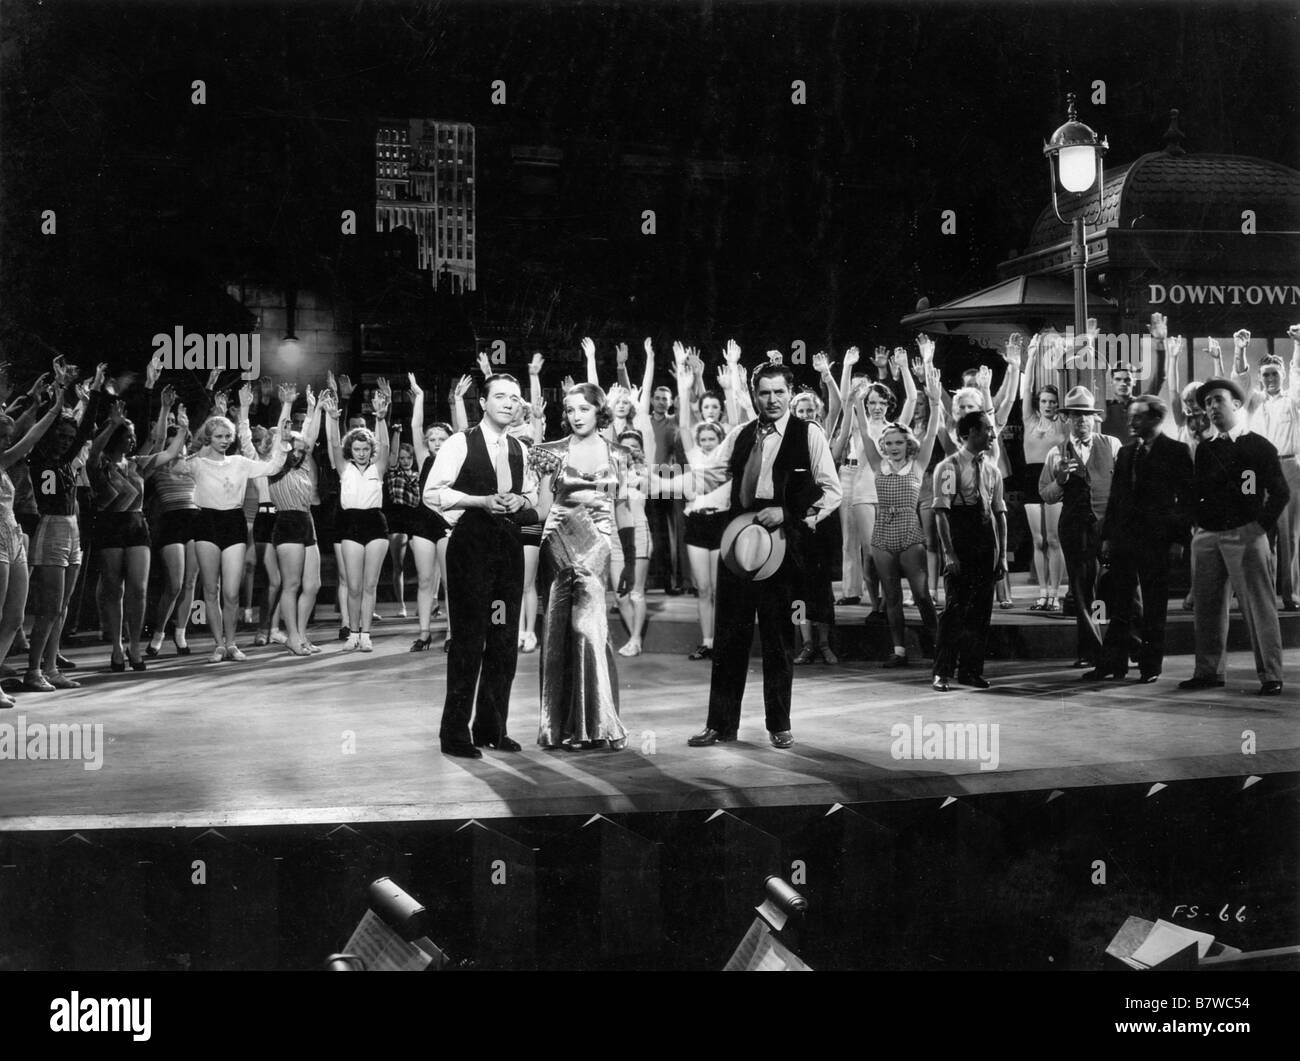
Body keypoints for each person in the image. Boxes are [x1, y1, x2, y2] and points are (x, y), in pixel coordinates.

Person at [668, 358, 841, 749]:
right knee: (729, 638)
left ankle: (779, 724)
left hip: (783, 548)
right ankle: (720, 725)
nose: (773, 399)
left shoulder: (808, 433)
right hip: (737, 542)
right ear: (753, 395)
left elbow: (832, 490)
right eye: (764, 393)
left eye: (780, 392)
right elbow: (708, 475)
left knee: (779, 640)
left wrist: (789, 512)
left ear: (791, 393)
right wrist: (653, 481)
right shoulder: (742, 433)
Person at [423, 372, 539, 758]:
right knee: (469, 641)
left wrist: (520, 502)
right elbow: (433, 494)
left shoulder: (520, 449)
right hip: (470, 549)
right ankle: (454, 735)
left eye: (515, 398)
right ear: (484, 403)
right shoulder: (460, 442)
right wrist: (480, 501)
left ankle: (491, 728)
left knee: (503, 638)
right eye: (501, 396)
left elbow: (530, 495)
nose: (509, 403)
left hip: (507, 551)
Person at [528, 383, 632, 750]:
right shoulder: (550, 452)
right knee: (557, 632)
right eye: (570, 410)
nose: (576, 416)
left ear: (598, 411)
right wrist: (511, 514)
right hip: (556, 543)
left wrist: (629, 560)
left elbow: (623, 509)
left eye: (583, 409)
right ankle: (559, 728)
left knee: (589, 629)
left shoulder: (619, 453)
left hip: (597, 546)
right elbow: (542, 509)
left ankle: (599, 723)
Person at [1178, 378, 1289, 696]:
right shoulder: (1205, 450)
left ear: (1237, 404)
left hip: (1246, 535)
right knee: (1208, 609)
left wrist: (1259, 526)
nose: (1211, 407)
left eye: (1217, 400)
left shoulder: (1259, 446)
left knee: (1259, 606)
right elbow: (1197, 493)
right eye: (1208, 402)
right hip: (1209, 537)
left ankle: (1271, 674)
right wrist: (1198, 527)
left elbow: (1280, 493)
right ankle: (1208, 672)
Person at [177, 385, 288, 663]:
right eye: (219, 436)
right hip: (205, 522)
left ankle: (232, 642)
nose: (225, 440)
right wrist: (188, 440)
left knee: (231, 591)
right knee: (210, 589)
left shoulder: (239, 461)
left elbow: (273, 468)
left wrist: (283, 443)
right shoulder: (198, 463)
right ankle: (218, 645)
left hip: (233, 523)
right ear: (208, 437)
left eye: (228, 436)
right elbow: (173, 466)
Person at [1089, 395, 1194, 683]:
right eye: (1130, 416)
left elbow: (1186, 502)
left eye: (1138, 417)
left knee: (1155, 604)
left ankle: (1150, 667)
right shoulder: (1125, 452)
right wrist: (1108, 537)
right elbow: (1116, 500)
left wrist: (1178, 540)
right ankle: (1114, 664)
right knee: (1120, 602)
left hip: (1157, 540)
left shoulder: (1176, 451)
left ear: (1155, 419)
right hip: (1124, 540)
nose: (1131, 422)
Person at [88, 399, 188, 671]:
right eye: (129, 436)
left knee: (139, 589)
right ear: (118, 437)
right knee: (114, 589)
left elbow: (166, 452)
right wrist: (113, 424)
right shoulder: (100, 464)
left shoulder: (137, 464)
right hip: (109, 526)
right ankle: (116, 647)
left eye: (133, 437)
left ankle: (134, 646)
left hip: (136, 526)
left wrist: (179, 428)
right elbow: (94, 449)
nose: (133, 441)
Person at [24, 362, 106, 692]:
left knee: (64, 604)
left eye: (69, 438)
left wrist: (97, 387)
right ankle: (33, 671)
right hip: (50, 527)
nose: (65, 441)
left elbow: (85, 431)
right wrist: (57, 395)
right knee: (49, 606)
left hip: (72, 528)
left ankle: (50, 666)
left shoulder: (66, 459)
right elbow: (53, 428)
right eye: (60, 435)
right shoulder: (41, 459)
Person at [858, 364, 944, 667]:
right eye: (889, 443)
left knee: (921, 595)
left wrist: (934, 401)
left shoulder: (918, 464)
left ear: (908, 444)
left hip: (909, 533)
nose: (893, 447)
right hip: (882, 535)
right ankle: (899, 650)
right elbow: (862, 428)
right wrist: (857, 402)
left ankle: (938, 646)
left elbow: (933, 430)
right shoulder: (877, 462)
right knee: (891, 597)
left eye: (899, 443)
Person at [1038, 387, 1122, 668]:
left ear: (1095, 418)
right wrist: (1060, 480)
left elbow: (1122, 490)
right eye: (1075, 416)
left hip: (1107, 528)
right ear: (1067, 419)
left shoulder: (1112, 445)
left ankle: (1118, 648)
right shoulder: (1056, 453)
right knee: (1083, 589)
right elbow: (1045, 494)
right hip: (1075, 529)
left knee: (1113, 588)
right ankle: (1092, 652)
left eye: (1086, 415)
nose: (1081, 421)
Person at [931, 411, 1007, 691]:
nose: (993, 434)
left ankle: (971, 671)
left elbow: (1000, 515)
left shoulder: (992, 470)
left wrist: (1002, 557)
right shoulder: (949, 467)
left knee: (981, 612)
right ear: (970, 433)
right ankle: (942, 672)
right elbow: (941, 513)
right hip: (961, 541)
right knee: (954, 611)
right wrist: (949, 554)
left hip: (986, 543)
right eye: (987, 429)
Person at [0, 381, 64, 706]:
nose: (6, 443)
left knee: (14, 618)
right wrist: (50, 408)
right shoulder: (4, 459)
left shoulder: (5, 463)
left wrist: (48, 404)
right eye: (2, 439)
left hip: (14, 539)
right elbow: (29, 439)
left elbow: (26, 435)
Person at [1235, 325, 1300, 610]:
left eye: (1275, 373)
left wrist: (1298, 345)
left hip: (1289, 469)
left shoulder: (1293, 402)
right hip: (1255, 474)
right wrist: (1239, 349)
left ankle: (1292, 595)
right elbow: (1239, 382)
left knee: (1291, 537)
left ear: (1282, 376)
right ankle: (1262, 596)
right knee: (1258, 532)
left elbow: (1298, 377)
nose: (1271, 378)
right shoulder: (1254, 402)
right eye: (1266, 375)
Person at [327, 378, 392, 652]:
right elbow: (332, 441)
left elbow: (386, 445)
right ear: (350, 451)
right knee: (353, 585)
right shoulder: (344, 468)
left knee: (369, 585)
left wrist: (380, 417)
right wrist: (331, 418)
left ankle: (366, 635)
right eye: (357, 449)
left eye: (366, 449)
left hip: (375, 524)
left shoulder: (378, 468)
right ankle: (352, 632)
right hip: (351, 524)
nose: (362, 453)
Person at [268, 390, 328, 656]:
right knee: (291, 584)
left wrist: (316, 410)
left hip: (307, 521)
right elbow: (282, 436)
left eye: (302, 448)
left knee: (313, 584)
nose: (301, 450)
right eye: (296, 446)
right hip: (287, 520)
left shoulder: (303, 465)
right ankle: (291, 637)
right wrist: (288, 404)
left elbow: (311, 437)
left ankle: (302, 635)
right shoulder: (275, 466)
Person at [405, 374, 454, 652]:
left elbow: (462, 429)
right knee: (424, 580)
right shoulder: (424, 459)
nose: (436, 442)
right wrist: (420, 397)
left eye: (442, 438)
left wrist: (457, 401)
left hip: (447, 521)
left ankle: (451, 633)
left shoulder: (457, 460)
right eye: (432, 439)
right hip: (423, 523)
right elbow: (416, 425)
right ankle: (423, 634)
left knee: (449, 582)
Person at [1019, 334, 1068, 612]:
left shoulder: (1062, 423)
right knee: (1038, 540)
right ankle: (1041, 592)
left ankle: (1054, 593)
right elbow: (1026, 389)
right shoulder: (1028, 420)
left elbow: (1065, 384)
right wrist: (1033, 355)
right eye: (1044, 401)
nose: (1048, 405)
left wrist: (1060, 357)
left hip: (1052, 479)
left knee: (1053, 539)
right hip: (1030, 480)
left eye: (1052, 401)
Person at [384, 441, 420, 620]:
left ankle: (426, 603)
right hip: (397, 519)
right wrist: (396, 434)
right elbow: (391, 457)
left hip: (415, 519)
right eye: (402, 458)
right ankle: (401, 605)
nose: (405, 461)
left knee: (423, 565)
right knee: (398, 565)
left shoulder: (418, 475)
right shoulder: (393, 473)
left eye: (408, 458)